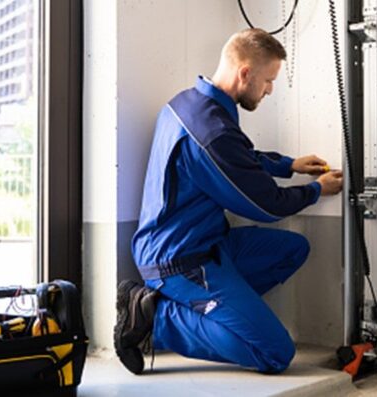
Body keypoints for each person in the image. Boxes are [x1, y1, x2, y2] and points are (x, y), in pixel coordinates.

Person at [114, 28, 344, 375]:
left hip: (208, 244)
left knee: (292, 249)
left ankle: (216, 314)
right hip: (178, 261)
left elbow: (239, 158)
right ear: (245, 73)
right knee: (276, 353)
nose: (270, 90)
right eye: (268, 80)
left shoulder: (189, 103)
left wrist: (289, 165)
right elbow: (267, 206)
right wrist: (315, 190)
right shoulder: (210, 133)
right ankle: (156, 319)